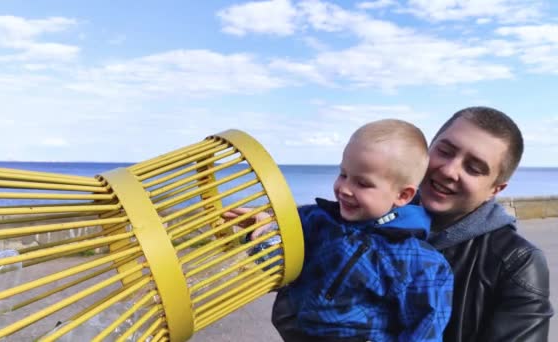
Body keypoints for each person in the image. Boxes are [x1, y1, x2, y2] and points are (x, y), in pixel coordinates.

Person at [225, 119, 453, 341]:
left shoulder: (422, 263)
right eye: (343, 174)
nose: (344, 189)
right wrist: (265, 234)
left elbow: (425, 329)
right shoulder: (316, 220)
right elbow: (277, 265)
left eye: (362, 183)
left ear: (403, 195)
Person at [418, 106, 553, 341]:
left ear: (495, 189)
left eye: (473, 168)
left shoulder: (517, 261)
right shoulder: (366, 222)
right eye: (445, 151)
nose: (450, 171)